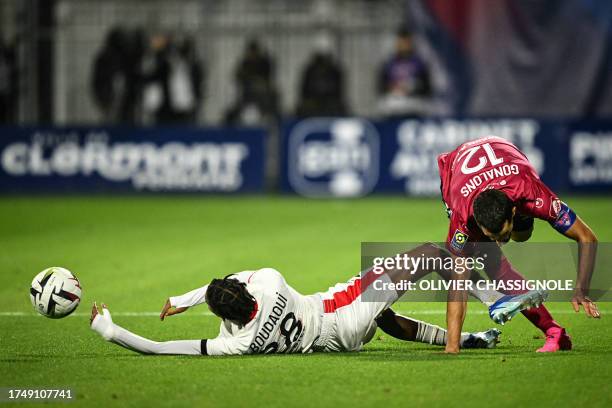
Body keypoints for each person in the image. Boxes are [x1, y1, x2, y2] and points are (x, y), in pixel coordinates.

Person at [90, 262, 547, 356]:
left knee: (387, 318)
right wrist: (185, 298)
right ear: (244, 291)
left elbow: (158, 347)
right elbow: (233, 276)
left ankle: (471, 339)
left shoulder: (240, 343)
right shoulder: (268, 282)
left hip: (336, 339)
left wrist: (110, 331)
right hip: (337, 309)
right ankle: (497, 299)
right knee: (428, 253)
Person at [438, 136, 600, 354]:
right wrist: (452, 346)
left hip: (507, 160)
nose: (498, 242)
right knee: (488, 261)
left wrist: (582, 289)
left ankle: (543, 324)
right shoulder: (463, 218)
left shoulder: (533, 193)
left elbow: (587, 237)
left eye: (501, 234)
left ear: (514, 211)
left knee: (521, 237)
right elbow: (458, 282)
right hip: (457, 169)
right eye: (491, 236)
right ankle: (554, 332)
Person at [377, 28, 432, 118]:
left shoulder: (419, 63)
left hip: (414, 101)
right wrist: (393, 88)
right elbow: (381, 86)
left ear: (410, 42)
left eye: (406, 42)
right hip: (395, 101)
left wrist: (411, 87)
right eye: (401, 42)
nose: (403, 45)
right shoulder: (390, 63)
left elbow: (427, 88)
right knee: (387, 104)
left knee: (421, 105)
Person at [295, 33, 348, 117]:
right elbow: (304, 90)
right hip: (312, 106)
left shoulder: (335, 71)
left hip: (331, 106)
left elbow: (339, 91)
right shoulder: (310, 70)